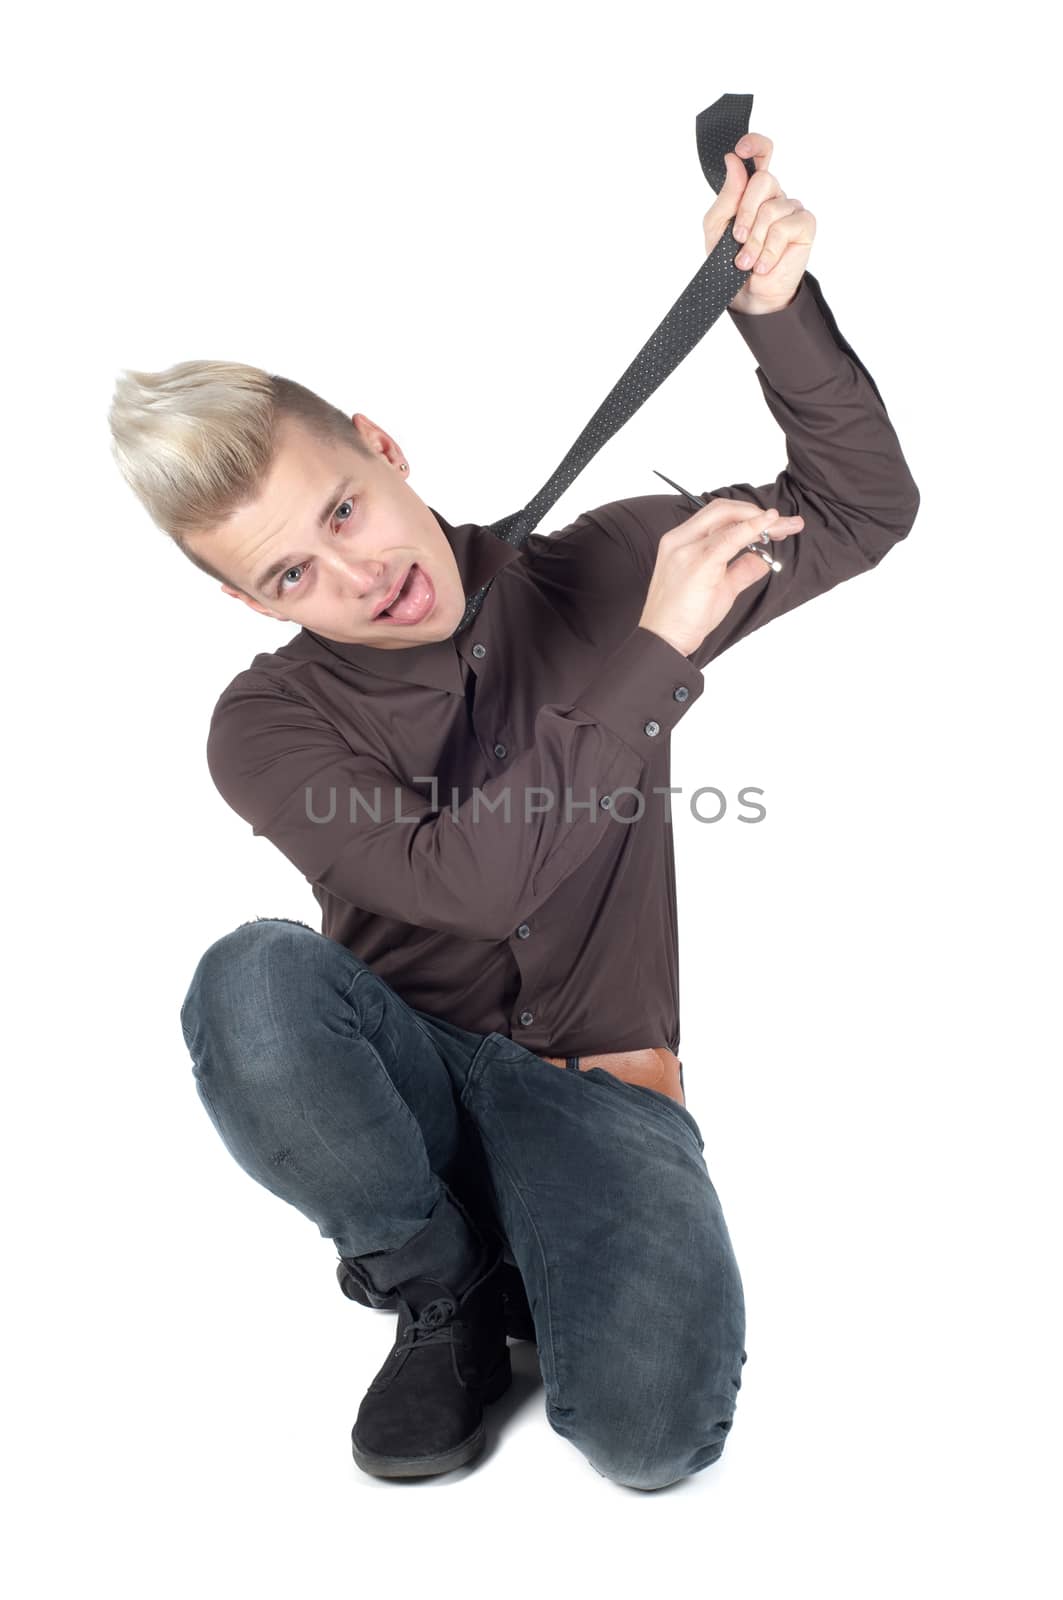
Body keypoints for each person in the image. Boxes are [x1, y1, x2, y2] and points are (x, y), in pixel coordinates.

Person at [108, 130, 919, 1489]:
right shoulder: (264, 728)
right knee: (252, 977)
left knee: (653, 1441)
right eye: (296, 573)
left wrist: (775, 312)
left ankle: (541, 1255)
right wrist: (655, 660)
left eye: (347, 510)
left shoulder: (600, 571)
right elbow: (480, 886)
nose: (358, 573)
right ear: (256, 604)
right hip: (407, 1086)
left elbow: (860, 505)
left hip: (600, 1099)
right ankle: (443, 1286)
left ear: (381, 446)